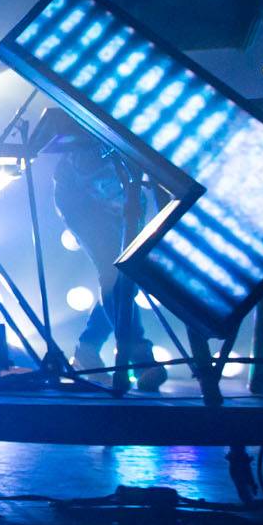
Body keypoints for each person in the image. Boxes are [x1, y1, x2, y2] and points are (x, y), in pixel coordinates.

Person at [52, 138, 166, 392]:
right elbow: (87, 164)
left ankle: (88, 348)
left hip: (123, 198)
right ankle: (140, 358)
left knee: (124, 278)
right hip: (81, 200)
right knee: (114, 274)